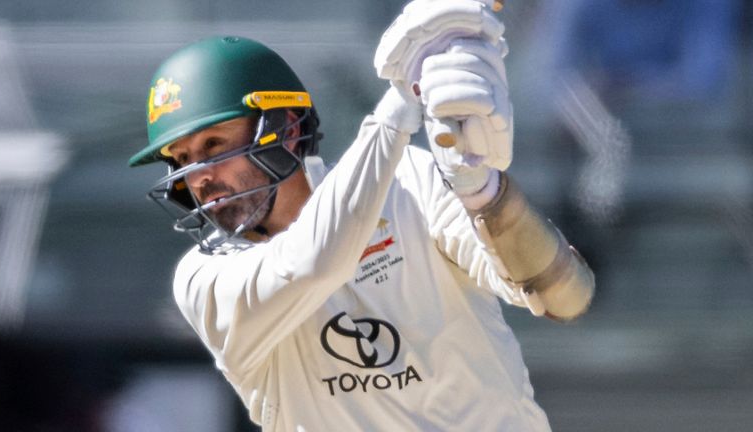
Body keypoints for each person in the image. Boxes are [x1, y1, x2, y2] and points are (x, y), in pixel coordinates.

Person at [129, 1, 594, 430]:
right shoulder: (203, 280)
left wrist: (482, 191)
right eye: (182, 158)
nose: (199, 176)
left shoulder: (408, 181)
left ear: (286, 129)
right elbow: (313, 263)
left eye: (214, 145)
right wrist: (401, 101)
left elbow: (561, 295)